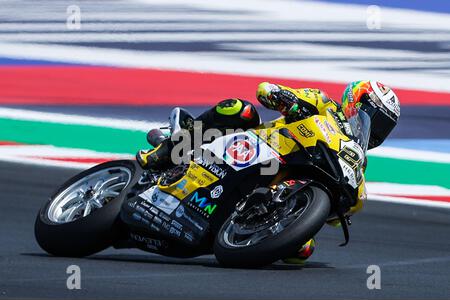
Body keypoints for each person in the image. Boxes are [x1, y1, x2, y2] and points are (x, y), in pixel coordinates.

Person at [136, 80, 401, 264]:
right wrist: (285, 99)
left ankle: (249, 224)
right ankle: (168, 150)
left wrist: (340, 207)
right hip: (254, 146)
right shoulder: (323, 103)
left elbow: (335, 216)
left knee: (302, 252)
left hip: (280, 185)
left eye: (384, 127)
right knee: (241, 109)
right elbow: (266, 90)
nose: (377, 129)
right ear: (356, 102)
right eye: (375, 118)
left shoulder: (356, 160)